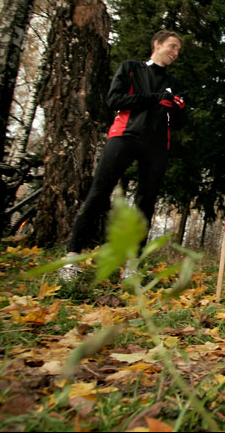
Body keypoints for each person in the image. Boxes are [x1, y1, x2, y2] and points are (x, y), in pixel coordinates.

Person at [59, 30, 187, 282]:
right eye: (172, 47)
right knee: (98, 193)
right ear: (157, 44)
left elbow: (179, 121)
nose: (175, 53)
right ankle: (70, 261)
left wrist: (178, 108)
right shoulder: (131, 68)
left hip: (158, 144)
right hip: (124, 136)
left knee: (145, 204)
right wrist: (154, 99)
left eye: (178, 50)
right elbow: (114, 100)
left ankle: (132, 267)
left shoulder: (175, 82)